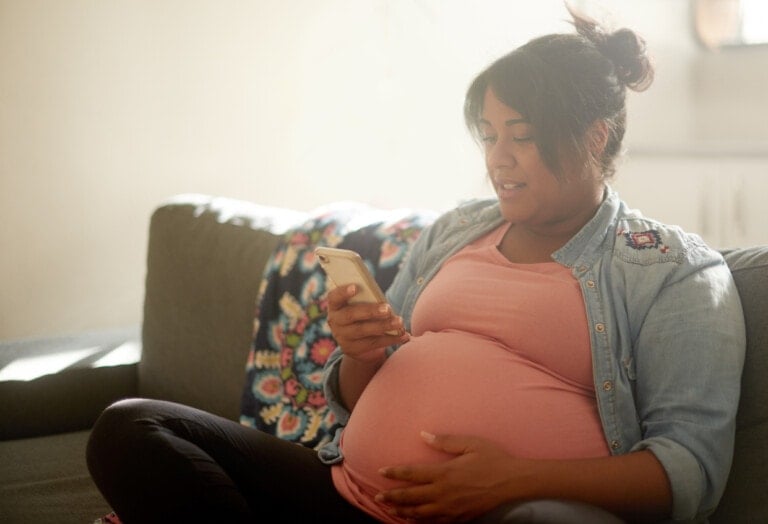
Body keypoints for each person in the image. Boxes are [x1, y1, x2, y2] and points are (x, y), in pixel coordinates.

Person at [86, 7, 745, 524]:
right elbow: (356, 397)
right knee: (133, 429)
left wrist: (516, 477)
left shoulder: (673, 271)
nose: (498, 160)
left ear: (594, 136)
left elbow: (688, 472)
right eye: (490, 136)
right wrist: (361, 353)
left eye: (521, 136)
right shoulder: (459, 228)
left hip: (513, 511)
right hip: (346, 497)